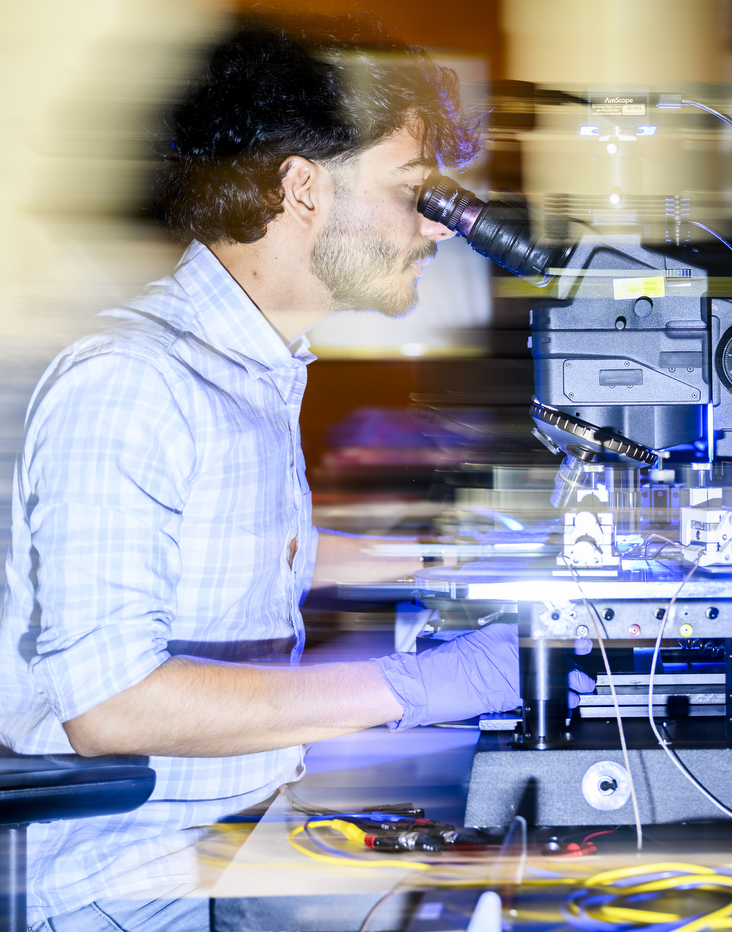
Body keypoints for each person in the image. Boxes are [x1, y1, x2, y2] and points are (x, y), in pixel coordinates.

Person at [0, 22, 520, 931]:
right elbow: (111, 704)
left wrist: (444, 565)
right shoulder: (134, 381)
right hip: (131, 882)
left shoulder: (248, 368)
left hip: (236, 830)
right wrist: (427, 683)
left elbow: (247, 549)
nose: (438, 226)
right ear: (302, 185)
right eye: (413, 190)